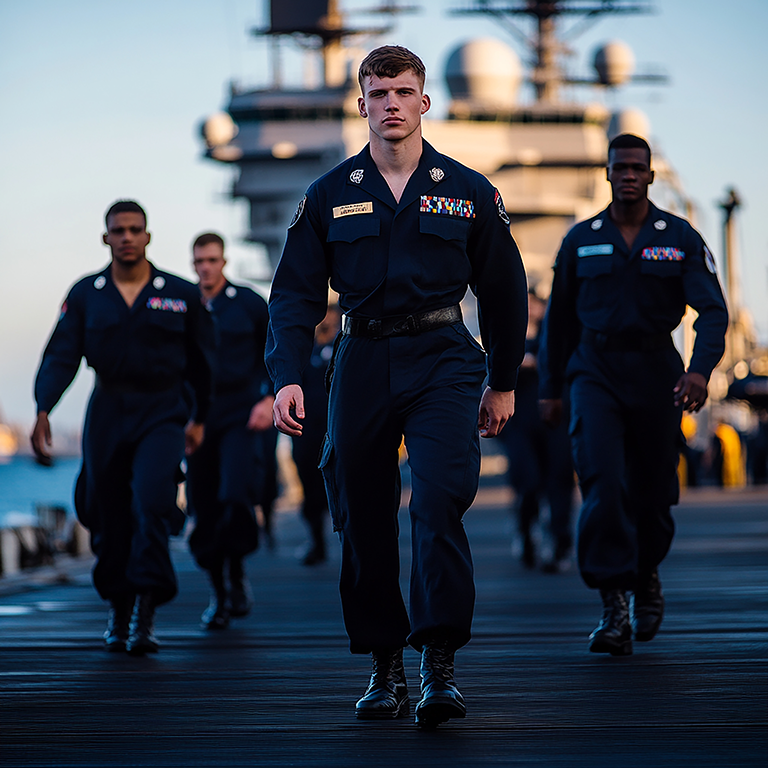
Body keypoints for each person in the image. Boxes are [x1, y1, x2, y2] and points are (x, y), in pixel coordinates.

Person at [266, 46, 527, 728]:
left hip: (444, 356)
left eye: (402, 92)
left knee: (438, 501)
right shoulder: (329, 194)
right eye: (377, 92)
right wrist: (288, 378)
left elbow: (504, 293)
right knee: (361, 512)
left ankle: (438, 663)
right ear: (361, 104)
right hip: (359, 356)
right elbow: (293, 297)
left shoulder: (469, 191)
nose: (389, 104)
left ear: (423, 102)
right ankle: (384, 664)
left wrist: (502, 382)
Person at [539, 134, 728, 657]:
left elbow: (712, 310)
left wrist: (699, 371)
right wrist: (550, 389)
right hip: (593, 372)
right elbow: (557, 322)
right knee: (601, 482)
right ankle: (613, 603)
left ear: (649, 175)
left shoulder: (680, 236)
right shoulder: (581, 240)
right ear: (607, 173)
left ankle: (646, 575)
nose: (627, 175)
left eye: (636, 168)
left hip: (657, 372)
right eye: (618, 166)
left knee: (651, 491)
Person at [31, 200, 215, 655]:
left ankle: (146, 611)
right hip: (108, 410)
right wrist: (42, 410)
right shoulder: (85, 294)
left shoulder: (181, 294)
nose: (127, 237)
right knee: (106, 509)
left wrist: (200, 418)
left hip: (163, 409)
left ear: (148, 236)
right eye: (119, 230)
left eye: (135, 229)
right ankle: (119, 605)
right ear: (106, 238)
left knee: (152, 500)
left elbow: (204, 363)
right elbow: (61, 356)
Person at [186, 233, 274, 629]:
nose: (206, 267)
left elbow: (275, 351)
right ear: (193, 265)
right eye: (199, 261)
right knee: (203, 504)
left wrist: (269, 397)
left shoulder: (250, 303)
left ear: (224, 262)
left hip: (241, 413)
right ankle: (218, 591)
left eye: (212, 260)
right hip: (197, 419)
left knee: (235, 492)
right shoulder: (183, 305)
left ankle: (237, 568)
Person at [497, 289, 574, 572]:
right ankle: (525, 530)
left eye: (534, 303)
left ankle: (560, 542)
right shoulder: (504, 331)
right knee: (526, 481)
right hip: (519, 422)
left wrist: (536, 360)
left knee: (560, 480)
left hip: (556, 418)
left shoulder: (557, 333)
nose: (529, 309)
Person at [290, 304, 341, 566]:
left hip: (338, 430)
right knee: (310, 488)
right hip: (306, 433)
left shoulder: (345, 349)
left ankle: (350, 542)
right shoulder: (302, 351)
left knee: (344, 487)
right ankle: (316, 540)